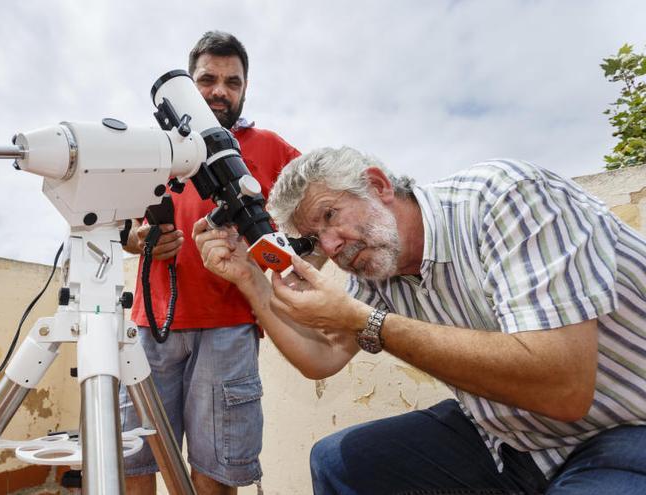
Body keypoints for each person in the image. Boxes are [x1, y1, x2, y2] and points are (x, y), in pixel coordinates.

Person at [192, 146, 646, 494]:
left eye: (330, 216)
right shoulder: (374, 266)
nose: (331, 246)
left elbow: (563, 387)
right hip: (511, 438)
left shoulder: (505, 198)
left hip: (624, 427)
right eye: (314, 237)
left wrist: (367, 322)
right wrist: (250, 282)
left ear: (378, 185)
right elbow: (321, 357)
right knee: (337, 461)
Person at [120, 31, 300, 494]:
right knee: (134, 462)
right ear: (191, 83)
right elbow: (122, 229)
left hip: (230, 328)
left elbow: (313, 215)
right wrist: (141, 240)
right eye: (207, 79)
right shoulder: (154, 148)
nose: (220, 90)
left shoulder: (271, 147)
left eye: (232, 82)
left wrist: (288, 253)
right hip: (152, 325)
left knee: (219, 468)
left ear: (244, 89)